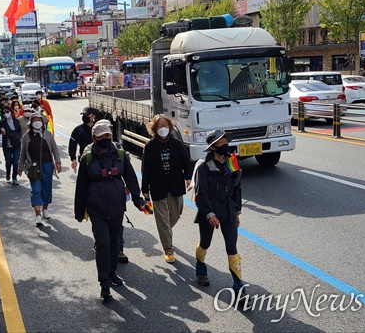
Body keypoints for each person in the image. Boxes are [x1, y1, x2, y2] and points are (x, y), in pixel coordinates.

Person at [75, 122, 145, 302]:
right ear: (94, 138)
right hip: (96, 208)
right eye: (102, 137)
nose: (106, 139)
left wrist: (138, 200)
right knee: (103, 244)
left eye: (108, 136)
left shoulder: (120, 155)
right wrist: (79, 211)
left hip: (117, 207)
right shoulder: (87, 158)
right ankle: (104, 282)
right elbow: (81, 186)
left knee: (114, 243)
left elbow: (130, 177)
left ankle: (112, 273)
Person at [192, 129, 244, 295]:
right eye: (221, 143)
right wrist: (209, 214)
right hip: (209, 210)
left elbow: (237, 188)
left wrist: (236, 212)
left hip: (227, 210)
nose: (225, 145)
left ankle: (238, 287)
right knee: (205, 243)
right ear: (213, 147)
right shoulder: (203, 166)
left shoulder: (231, 162)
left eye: (226, 142)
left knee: (232, 248)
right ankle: (200, 269)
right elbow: (200, 194)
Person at [141, 115, 193, 264]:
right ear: (154, 129)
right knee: (163, 221)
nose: (162, 128)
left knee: (175, 216)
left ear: (170, 127)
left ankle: (165, 232)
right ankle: (168, 249)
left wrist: (189, 177)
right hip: (158, 188)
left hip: (175, 185)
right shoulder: (150, 146)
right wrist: (145, 190)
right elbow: (146, 169)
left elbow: (185, 161)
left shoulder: (176, 143)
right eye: (159, 126)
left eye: (165, 125)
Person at [17, 111, 62, 226]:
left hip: (47, 166)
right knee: (36, 190)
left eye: (39, 120)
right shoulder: (26, 137)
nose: (37, 122)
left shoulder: (48, 134)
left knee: (46, 188)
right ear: (31, 122)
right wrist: (20, 167)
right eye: (35, 120)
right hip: (33, 167)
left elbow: (55, 149)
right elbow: (22, 153)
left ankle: (45, 209)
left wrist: (58, 162)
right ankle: (38, 215)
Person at [0, 106, 22, 185]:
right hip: (7, 146)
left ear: (11, 112)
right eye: (4, 113)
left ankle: (14, 178)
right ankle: (8, 173)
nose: (6, 114)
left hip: (16, 145)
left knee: (15, 162)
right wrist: (1, 129)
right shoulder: (2, 122)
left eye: (7, 112)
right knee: (8, 162)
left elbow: (20, 131)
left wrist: (18, 137)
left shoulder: (16, 121)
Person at [68, 107, 97, 172]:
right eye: (84, 115)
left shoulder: (98, 129)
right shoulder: (78, 130)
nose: (85, 117)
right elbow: (72, 145)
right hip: (84, 159)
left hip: (97, 160)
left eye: (87, 115)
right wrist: (73, 159)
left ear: (93, 117)